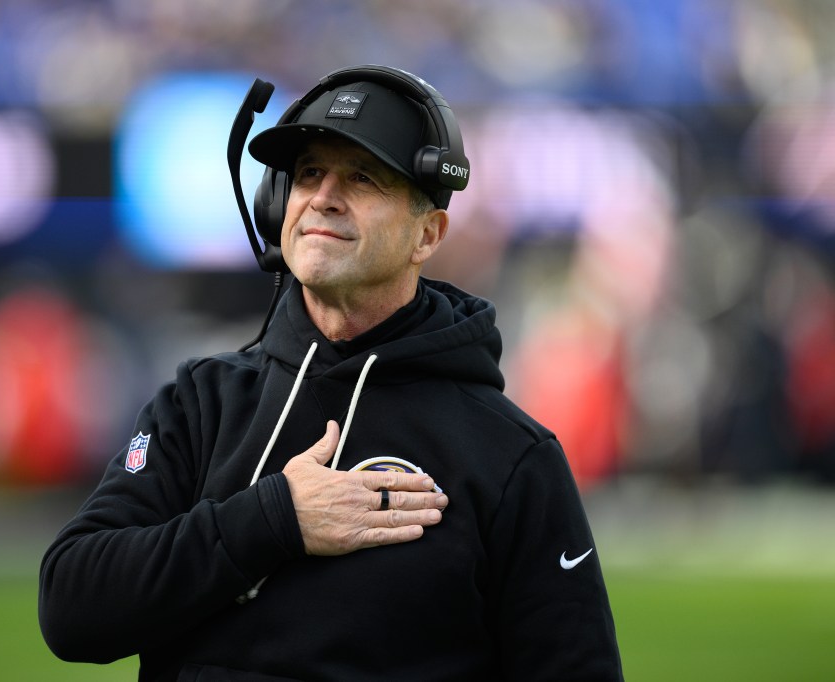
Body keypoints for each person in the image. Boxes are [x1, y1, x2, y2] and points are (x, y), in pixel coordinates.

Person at [39, 65, 623, 681]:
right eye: (310, 173)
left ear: (428, 233)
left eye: (362, 177)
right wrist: (273, 520)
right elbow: (72, 608)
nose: (323, 197)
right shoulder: (198, 404)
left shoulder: (511, 456)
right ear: (276, 204)